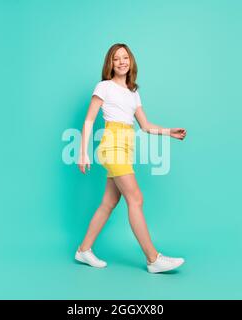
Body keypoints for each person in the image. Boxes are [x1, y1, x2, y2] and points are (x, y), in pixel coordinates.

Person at [76, 43, 187, 273]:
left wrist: (169, 132)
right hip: (112, 145)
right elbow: (88, 120)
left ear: (131, 61)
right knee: (135, 198)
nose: (121, 62)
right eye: (116, 59)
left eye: (125, 57)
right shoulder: (104, 86)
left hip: (126, 147)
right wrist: (83, 151)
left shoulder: (133, 92)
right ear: (110, 64)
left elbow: (145, 126)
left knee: (109, 203)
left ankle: (84, 250)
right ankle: (153, 258)